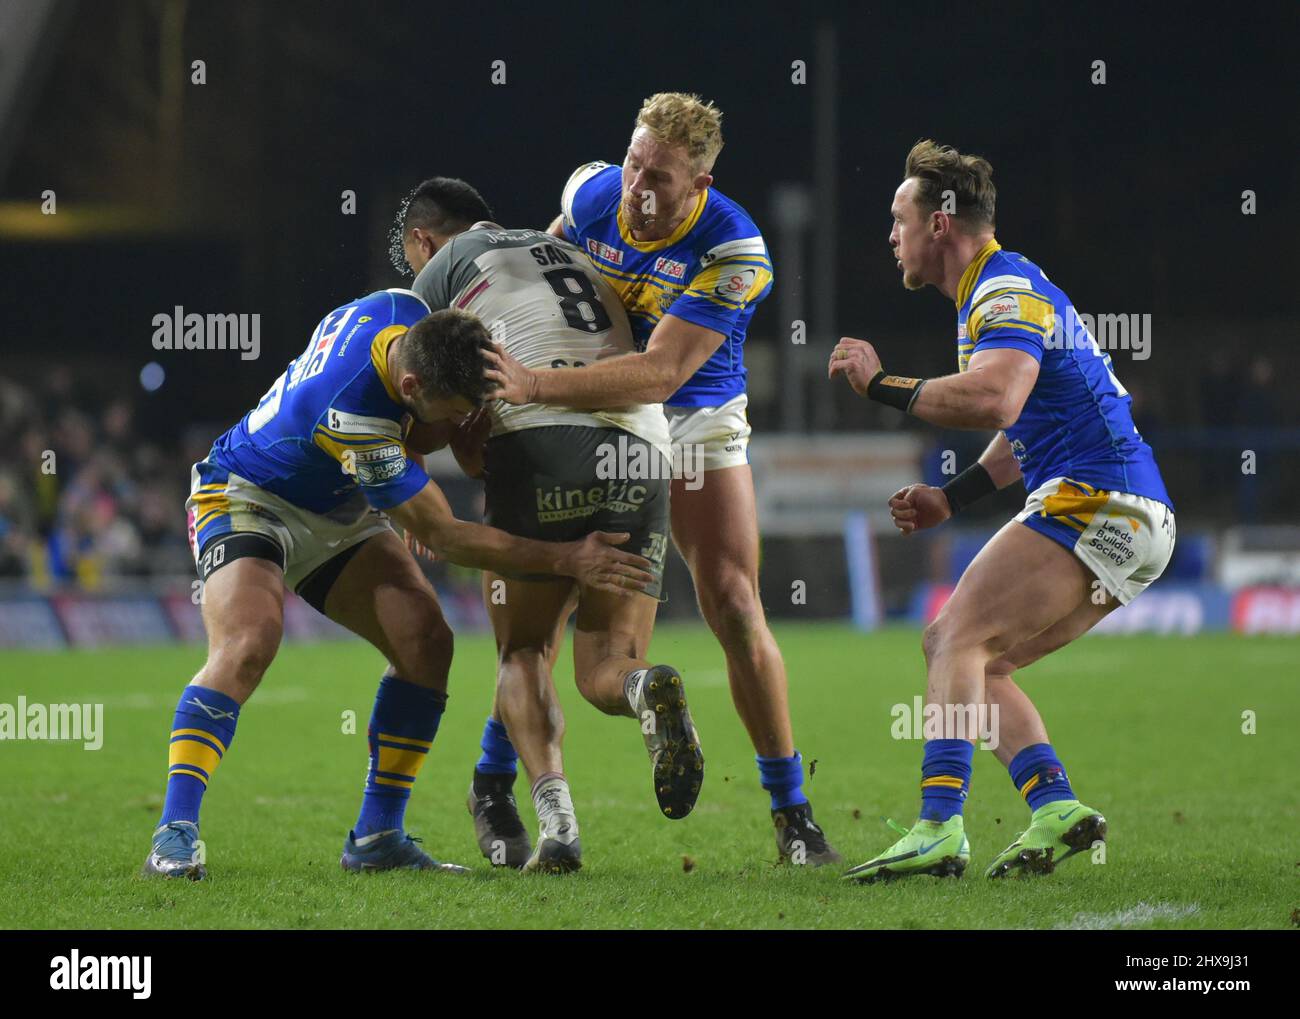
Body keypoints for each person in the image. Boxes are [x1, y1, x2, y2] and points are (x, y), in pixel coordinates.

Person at [142, 289, 651, 880]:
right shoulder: (355, 417)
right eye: (456, 413)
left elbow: (421, 438)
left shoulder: (402, 307)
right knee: (249, 641)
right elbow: (448, 538)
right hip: (247, 495)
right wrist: (569, 558)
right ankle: (173, 835)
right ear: (411, 389)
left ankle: (377, 839)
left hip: (335, 499)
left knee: (426, 644)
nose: (465, 426)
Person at [487, 92, 840, 865]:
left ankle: (794, 817)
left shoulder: (735, 248)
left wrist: (534, 384)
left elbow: (660, 372)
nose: (637, 191)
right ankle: (496, 786)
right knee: (545, 598)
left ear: (701, 186)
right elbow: (542, 267)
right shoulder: (591, 193)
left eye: (660, 180)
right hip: (595, 416)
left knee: (735, 602)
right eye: (634, 165)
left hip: (690, 421)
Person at [828, 139, 1175, 882]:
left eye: (900, 218)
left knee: (950, 637)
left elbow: (996, 397)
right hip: (1133, 517)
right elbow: (1025, 426)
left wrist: (879, 384)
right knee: (980, 661)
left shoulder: (999, 290)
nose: (892, 236)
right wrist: (951, 498)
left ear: (942, 224)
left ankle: (938, 825)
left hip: (1098, 497)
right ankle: (1055, 807)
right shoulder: (1005, 288)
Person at [395, 176, 702, 873]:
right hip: (642, 446)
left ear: (424, 240)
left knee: (523, 651)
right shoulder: (574, 252)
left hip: (540, 442)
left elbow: (422, 394)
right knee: (605, 662)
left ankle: (559, 827)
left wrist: (412, 471)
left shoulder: (438, 275)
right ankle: (641, 688)